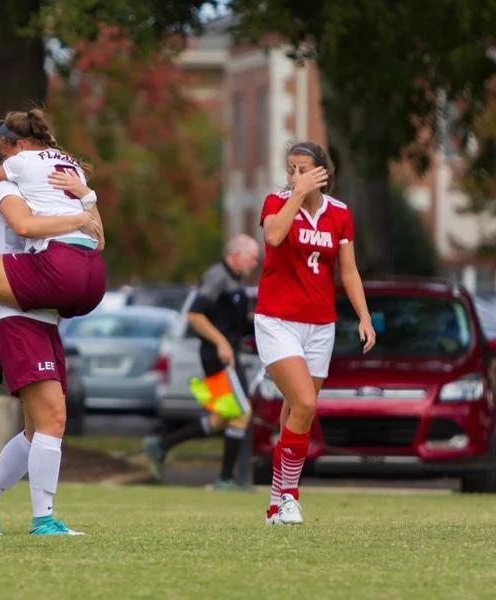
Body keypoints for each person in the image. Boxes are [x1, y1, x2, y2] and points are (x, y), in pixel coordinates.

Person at [0, 173, 103, 536]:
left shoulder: (53, 202)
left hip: (43, 318)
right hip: (18, 317)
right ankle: (44, 520)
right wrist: (79, 215)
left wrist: (87, 198)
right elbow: (23, 226)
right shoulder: (10, 190)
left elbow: (97, 241)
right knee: (53, 419)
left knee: (37, 428)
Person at [0, 109, 107, 394]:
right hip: (93, 276)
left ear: (18, 146)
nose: (5, 162)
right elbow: (100, 241)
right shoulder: (73, 169)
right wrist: (86, 202)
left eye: (4, 155)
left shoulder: (19, 166)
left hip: (58, 269)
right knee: (46, 427)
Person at [256, 141, 375, 525]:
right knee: (305, 403)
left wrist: (364, 316)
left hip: (320, 324)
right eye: (290, 169)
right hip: (277, 320)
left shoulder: (339, 214)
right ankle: (290, 495)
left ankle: (276, 503)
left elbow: (349, 270)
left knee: (296, 412)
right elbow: (273, 237)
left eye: (303, 169)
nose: (295, 176)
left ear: (322, 172)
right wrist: (297, 195)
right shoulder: (276, 201)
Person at [141, 235, 260, 489]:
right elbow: (195, 314)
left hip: (224, 354)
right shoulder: (217, 276)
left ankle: (160, 445)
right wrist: (221, 342)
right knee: (242, 413)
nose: (255, 264)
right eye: (252, 258)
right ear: (235, 255)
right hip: (219, 357)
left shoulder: (234, 280)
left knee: (220, 418)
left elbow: (230, 319)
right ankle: (226, 480)